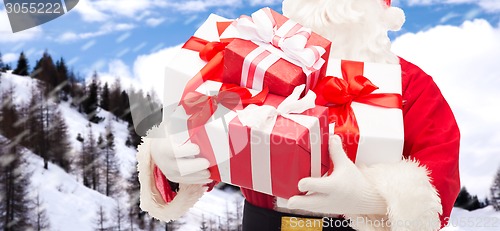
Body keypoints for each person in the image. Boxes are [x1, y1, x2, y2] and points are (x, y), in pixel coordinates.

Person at [136, 0, 460, 230]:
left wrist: (370, 201)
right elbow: (212, 120)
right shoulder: (257, 64)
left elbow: (438, 178)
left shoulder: (409, 85)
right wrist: (169, 154)